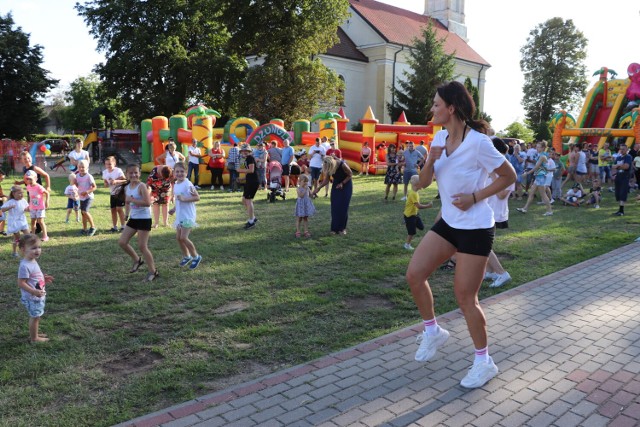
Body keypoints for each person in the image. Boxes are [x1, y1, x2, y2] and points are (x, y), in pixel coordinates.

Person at [406, 81, 515, 389]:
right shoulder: (438, 137)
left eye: (436, 105)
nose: (432, 109)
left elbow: (509, 176)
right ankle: (432, 331)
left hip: (477, 228)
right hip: (450, 223)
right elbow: (423, 183)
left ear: (451, 108)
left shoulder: (479, 143)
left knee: (465, 297)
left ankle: (484, 362)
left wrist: (476, 197)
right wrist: (431, 158)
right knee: (415, 274)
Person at [118, 164, 158, 281]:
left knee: (142, 246)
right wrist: (126, 214)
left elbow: (147, 203)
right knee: (122, 242)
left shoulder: (142, 186)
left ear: (139, 174)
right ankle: (137, 260)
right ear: (127, 175)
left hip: (144, 218)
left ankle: (153, 271)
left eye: (136, 172)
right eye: (131, 173)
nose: (133, 175)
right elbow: (127, 202)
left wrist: (132, 200)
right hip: (134, 218)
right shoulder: (127, 187)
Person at [483, 138, 514, 288]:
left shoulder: (507, 170)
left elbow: (502, 194)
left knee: (484, 245)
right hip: (486, 211)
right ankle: (489, 272)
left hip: (496, 213)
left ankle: (502, 273)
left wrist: (495, 174)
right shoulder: (491, 169)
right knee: (486, 244)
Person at [17, 234, 54, 343]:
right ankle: (34, 338)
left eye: (39, 247)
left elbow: (32, 277)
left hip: (37, 295)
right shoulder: (24, 265)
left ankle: (35, 332)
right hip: (32, 297)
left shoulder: (32, 260)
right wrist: (33, 291)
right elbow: (21, 283)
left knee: (37, 316)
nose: (37, 250)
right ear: (23, 249)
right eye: (33, 248)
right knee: (35, 317)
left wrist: (43, 278)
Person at [168, 162, 202, 269]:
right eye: (177, 171)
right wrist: (174, 209)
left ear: (187, 173)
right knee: (178, 238)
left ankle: (196, 256)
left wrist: (185, 199)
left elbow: (197, 197)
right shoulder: (176, 184)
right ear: (174, 173)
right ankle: (187, 256)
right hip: (180, 215)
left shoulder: (188, 184)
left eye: (182, 171)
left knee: (184, 237)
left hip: (188, 216)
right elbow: (178, 200)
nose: (179, 173)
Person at [312, 156, 353, 235]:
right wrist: (318, 188)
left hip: (346, 184)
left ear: (332, 164)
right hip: (336, 184)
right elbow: (326, 180)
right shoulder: (328, 166)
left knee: (343, 207)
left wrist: (342, 183)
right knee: (335, 206)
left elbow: (350, 174)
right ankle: (334, 229)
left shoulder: (342, 165)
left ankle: (342, 229)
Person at [516, 142, 553, 216]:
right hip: (538, 177)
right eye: (537, 147)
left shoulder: (542, 156)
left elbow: (536, 167)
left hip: (541, 177)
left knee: (543, 194)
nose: (537, 148)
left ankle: (549, 211)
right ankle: (525, 208)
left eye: (539, 147)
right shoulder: (540, 155)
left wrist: (527, 173)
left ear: (543, 148)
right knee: (531, 193)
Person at [403, 174, 433, 250]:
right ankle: (407, 244)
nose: (423, 184)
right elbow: (418, 206)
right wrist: (428, 206)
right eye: (421, 183)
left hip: (415, 214)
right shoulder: (413, 194)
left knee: (421, 227)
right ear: (417, 185)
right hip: (410, 216)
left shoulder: (415, 192)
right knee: (412, 232)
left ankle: (410, 225)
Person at [1, 185, 30, 257]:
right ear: (13, 194)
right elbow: (2, 209)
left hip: (22, 220)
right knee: (17, 238)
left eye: (22, 193)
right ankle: (14, 252)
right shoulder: (11, 201)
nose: (21, 195)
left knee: (28, 236)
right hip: (14, 222)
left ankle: (26, 250)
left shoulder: (23, 200)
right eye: (19, 193)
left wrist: (28, 209)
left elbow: (26, 208)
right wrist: (10, 207)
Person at [102, 155, 127, 232]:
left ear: (114, 164)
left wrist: (116, 181)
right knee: (113, 210)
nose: (108, 166)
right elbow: (105, 184)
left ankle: (123, 226)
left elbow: (125, 180)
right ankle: (114, 227)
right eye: (106, 164)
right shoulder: (105, 172)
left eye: (110, 164)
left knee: (119, 208)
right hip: (112, 193)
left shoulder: (118, 170)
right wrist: (106, 184)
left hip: (120, 192)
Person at [238, 143, 259, 229]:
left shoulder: (250, 158)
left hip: (253, 182)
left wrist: (239, 170)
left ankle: (251, 221)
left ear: (249, 151)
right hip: (249, 181)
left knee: (248, 200)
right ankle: (253, 218)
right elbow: (249, 172)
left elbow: (251, 170)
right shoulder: (246, 159)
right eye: (243, 151)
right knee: (244, 200)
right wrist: (243, 179)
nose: (244, 152)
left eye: (246, 150)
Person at [24, 170, 50, 242]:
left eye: (31, 179)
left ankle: (45, 236)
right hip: (32, 207)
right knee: (33, 221)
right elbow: (29, 195)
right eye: (28, 179)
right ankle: (33, 235)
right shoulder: (28, 187)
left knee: (40, 221)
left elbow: (47, 193)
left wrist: (47, 201)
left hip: (40, 207)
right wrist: (28, 204)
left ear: (35, 178)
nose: (29, 180)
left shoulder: (39, 187)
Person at [76, 160, 98, 236]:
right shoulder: (77, 175)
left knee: (85, 211)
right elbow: (76, 185)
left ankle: (93, 227)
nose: (81, 168)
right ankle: (84, 229)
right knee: (83, 213)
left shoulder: (89, 176)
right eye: (79, 167)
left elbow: (95, 187)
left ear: (87, 167)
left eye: (83, 167)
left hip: (88, 197)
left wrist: (87, 192)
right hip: (81, 197)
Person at [612, 144, 632, 216]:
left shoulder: (628, 157)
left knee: (623, 193)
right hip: (618, 177)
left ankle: (621, 211)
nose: (622, 150)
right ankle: (619, 210)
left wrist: (618, 166)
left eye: (623, 149)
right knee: (617, 194)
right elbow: (613, 166)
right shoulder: (618, 157)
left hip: (625, 177)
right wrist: (614, 174)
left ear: (626, 150)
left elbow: (626, 166)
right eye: (621, 149)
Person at [294, 174, 316, 238]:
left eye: (307, 181)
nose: (306, 183)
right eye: (304, 181)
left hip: (306, 205)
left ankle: (306, 231)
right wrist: (305, 190)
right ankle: (298, 231)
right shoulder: (298, 188)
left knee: (305, 218)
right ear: (300, 181)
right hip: (300, 205)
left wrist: (313, 195)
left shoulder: (307, 188)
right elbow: (301, 195)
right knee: (299, 219)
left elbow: (311, 194)